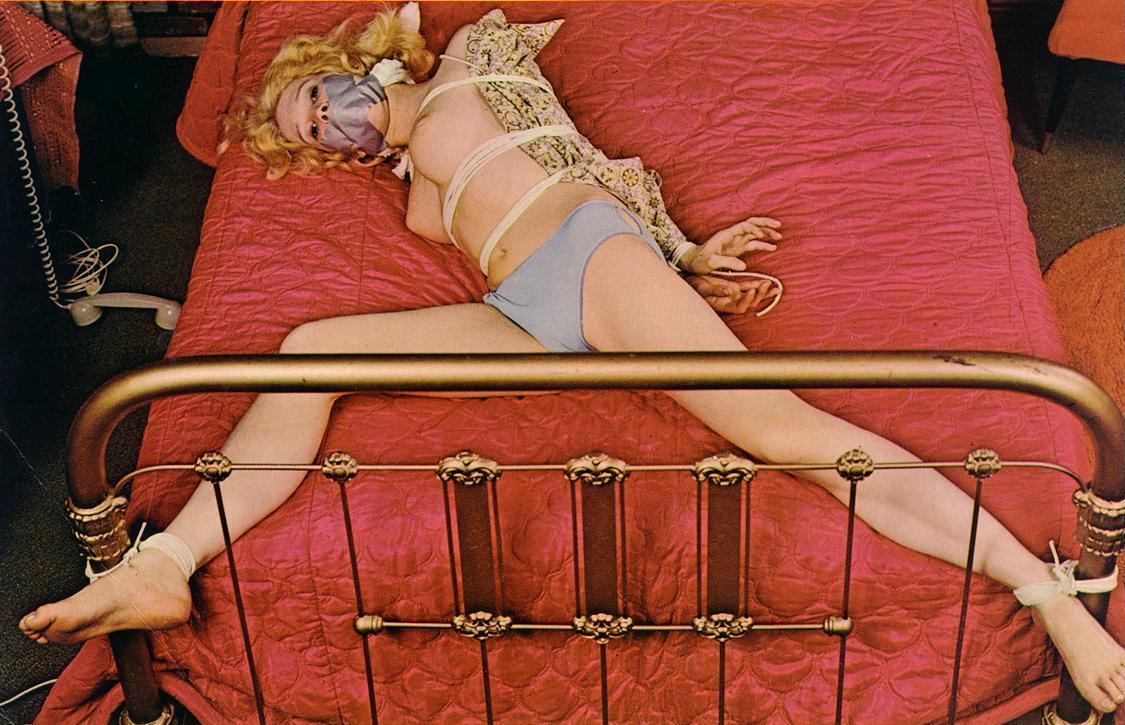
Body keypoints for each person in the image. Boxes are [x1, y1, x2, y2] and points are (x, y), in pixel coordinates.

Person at [21, 3, 1125, 714]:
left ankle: (1048, 593)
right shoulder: (407, 182)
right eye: (307, 131)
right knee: (313, 350)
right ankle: (168, 562)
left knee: (788, 433)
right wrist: (686, 260)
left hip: (589, 255)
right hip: (521, 307)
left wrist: (677, 257)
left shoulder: (469, 66)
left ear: (355, 62)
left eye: (316, 97)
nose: (325, 126)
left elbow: (592, 162)